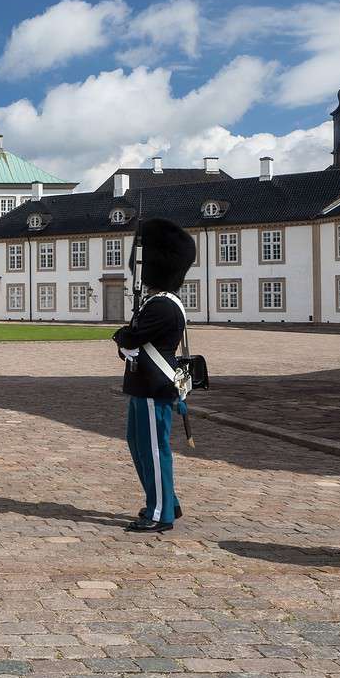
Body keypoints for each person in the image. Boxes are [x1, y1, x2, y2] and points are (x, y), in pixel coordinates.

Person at [111, 218, 195, 534]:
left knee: (154, 450)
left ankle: (161, 513)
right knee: (139, 444)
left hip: (153, 386)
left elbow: (130, 338)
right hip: (142, 383)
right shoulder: (154, 302)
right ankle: (164, 501)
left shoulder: (162, 305)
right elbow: (131, 339)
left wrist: (123, 336)